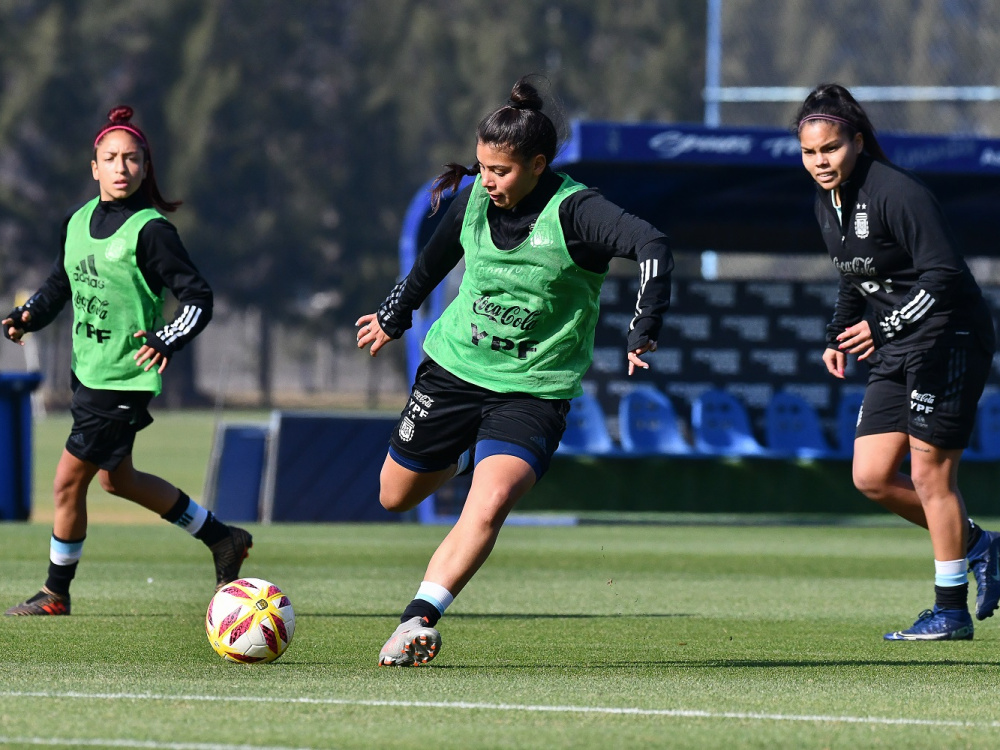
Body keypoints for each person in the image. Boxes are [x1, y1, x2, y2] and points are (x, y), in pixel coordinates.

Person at [356, 75, 672, 666]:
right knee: (394, 495)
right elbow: (432, 260)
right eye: (481, 167)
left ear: (537, 164)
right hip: (453, 371)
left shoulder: (578, 212)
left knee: (491, 498)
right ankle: (462, 451)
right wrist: (392, 318)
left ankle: (418, 619)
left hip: (532, 390)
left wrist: (643, 326)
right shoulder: (475, 195)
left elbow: (653, 245)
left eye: (500, 171)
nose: (487, 181)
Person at [2, 106, 252, 616]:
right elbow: (59, 284)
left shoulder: (151, 230)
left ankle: (56, 592)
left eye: (132, 159)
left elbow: (199, 298)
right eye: (111, 158)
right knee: (119, 479)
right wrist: (29, 315)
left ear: (145, 167)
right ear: (94, 166)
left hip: (122, 378)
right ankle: (222, 538)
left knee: (67, 482)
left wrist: (166, 338)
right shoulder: (76, 220)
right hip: (88, 372)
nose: (121, 168)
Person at [796, 83, 1000, 640]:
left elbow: (945, 276)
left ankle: (950, 611)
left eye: (832, 148)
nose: (821, 162)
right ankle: (982, 545)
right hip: (897, 344)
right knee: (871, 476)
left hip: (949, 337)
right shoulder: (826, 202)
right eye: (811, 153)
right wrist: (838, 334)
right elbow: (853, 275)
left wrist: (883, 326)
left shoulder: (898, 192)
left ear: (857, 142)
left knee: (932, 474)